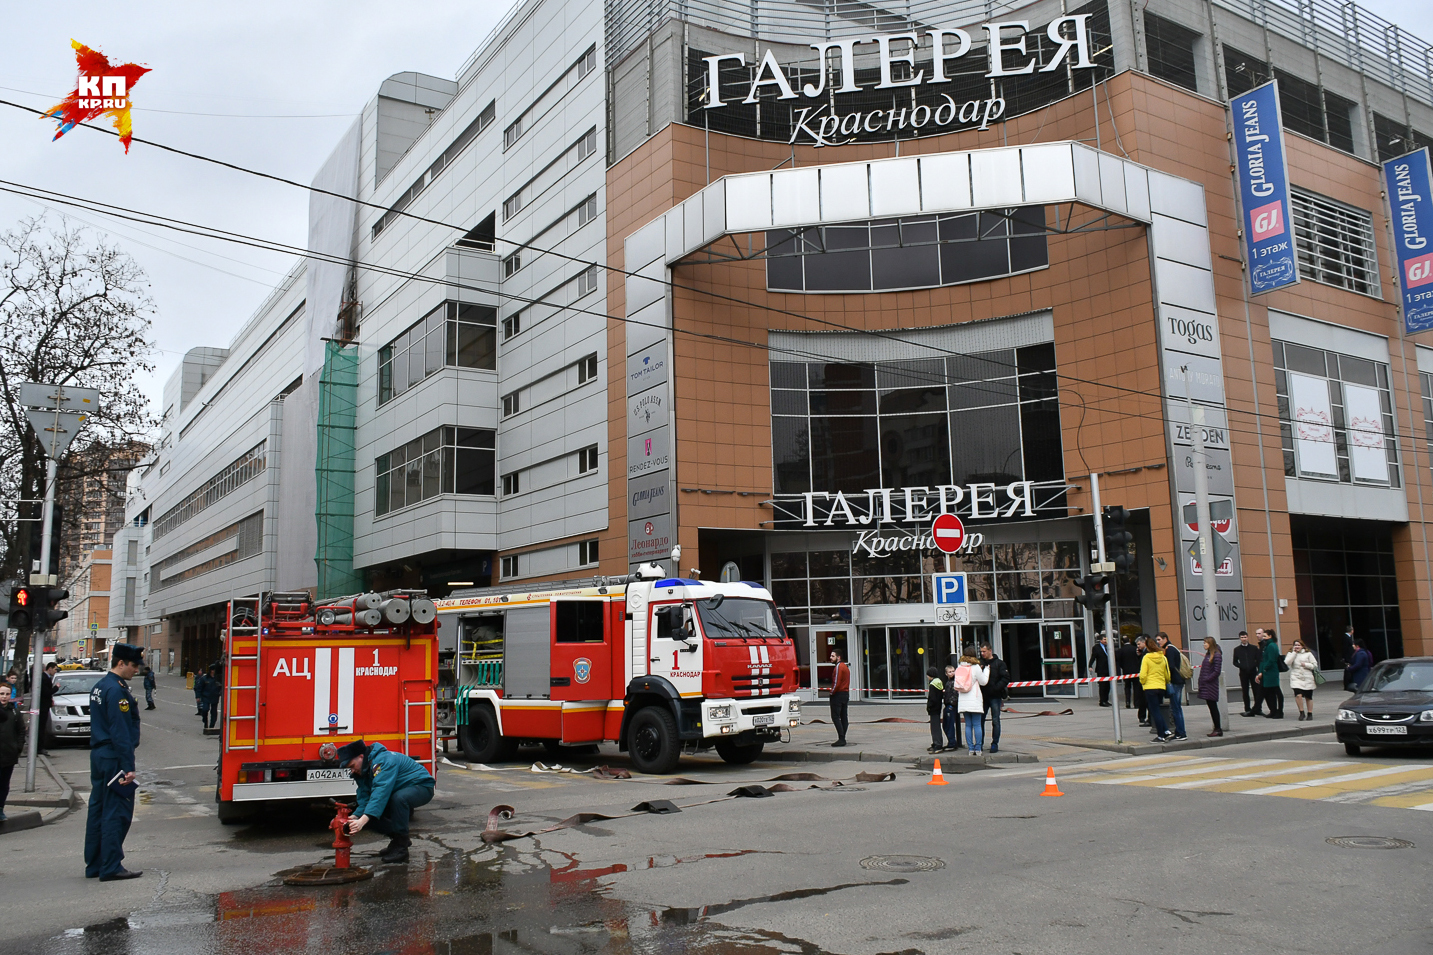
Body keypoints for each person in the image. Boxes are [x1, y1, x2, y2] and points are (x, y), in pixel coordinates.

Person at [85, 643, 144, 881]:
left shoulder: (100, 686)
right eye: (133, 665)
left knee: (98, 811)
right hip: (113, 758)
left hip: (100, 755)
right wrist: (128, 767)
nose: (136, 670)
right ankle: (111, 866)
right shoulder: (117, 690)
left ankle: (95, 864)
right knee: (115, 813)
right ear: (121, 663)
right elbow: (120, 731)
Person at [337, 738, 435, 863]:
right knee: (370, 816)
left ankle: (401, 850)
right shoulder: (363, 769)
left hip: (422, 787)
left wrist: (363, 820)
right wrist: (356, 816)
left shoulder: (382, 761)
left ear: (361, 756)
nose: (352, 770)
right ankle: (398, 840)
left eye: (352, 766)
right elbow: (365, 796)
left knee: (399, 799)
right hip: (399, 790)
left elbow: (380, 792)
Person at [953, 651, 990, 757]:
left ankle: (970, 748)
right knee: (977, 725)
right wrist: (986, 670)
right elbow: (983, 682)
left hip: (963, 700)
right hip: (974, 700)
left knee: (968, 725)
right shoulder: (976, 667)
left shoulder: (959, 667)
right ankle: (978, 749)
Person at [0, 683, 26, 821]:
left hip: (9, 754)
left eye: (6, 694)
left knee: (4, 784)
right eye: (1, 694)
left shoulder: (15, 712)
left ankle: (0, 809)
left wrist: (18, 747)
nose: (4, 697)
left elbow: (21, 731)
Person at [1138, 637, 1172, 741]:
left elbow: (1143, 674)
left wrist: (1143, 682)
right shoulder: (1163, 657)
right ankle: (1166, 730)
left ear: (1147, 647)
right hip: (1160, 686)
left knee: (1154, 711)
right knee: (1158, 710)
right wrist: (1165, 682)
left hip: (1150, 687)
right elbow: (1167, 674)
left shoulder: (1147, 658)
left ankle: (1161, 735)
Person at [1157, 633, 1188, 741]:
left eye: (1159, 639)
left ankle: (1181, 732)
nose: (1158, 642)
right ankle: (1180, 731)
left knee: (1176, 708)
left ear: (1165, 639)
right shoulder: (1171, 648)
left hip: (1175, 681)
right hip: (1178, 680)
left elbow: (1170, 666)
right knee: (1176, 707)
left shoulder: (1169, 649)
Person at [979, 643, 1008, 754]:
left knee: (995, 721)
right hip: (983, 697)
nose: (982, 654)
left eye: (984, 651)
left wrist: (996, 688)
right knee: (980, 721)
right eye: (981, 651)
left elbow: (1005, 678)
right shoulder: (981, 663)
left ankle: (994, 743)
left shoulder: (999, 664)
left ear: (990, 651)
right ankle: (979, 743)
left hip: (995, 696)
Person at [1285, 640, 1320, 721]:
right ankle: (1301, 712)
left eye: (1298, 645)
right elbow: (1287, 662)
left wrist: (1306, 665)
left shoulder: (1308, 654)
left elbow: (1314, 665)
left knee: (1308, 697)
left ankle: (1310, 713)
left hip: (1307, 677)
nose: (1297, 646)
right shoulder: (1291, 653)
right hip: (1296, 677)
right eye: (1295, 645)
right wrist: (1294, 653)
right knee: (1298, 695)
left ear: (1302, 646)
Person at [1197, 637, 1223, 737]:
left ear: (1210, 644)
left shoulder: (1216, 655)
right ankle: (1216, 727)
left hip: (1210, 684)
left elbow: (1217, 671)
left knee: (1213, 707)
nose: (1204, 645)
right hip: (1206, 684)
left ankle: (1218, 728)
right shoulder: (1209, 654)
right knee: (1211, 706)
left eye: (1205, 643)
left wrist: (1207, 679)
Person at [1255, 628, 1284, 719]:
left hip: (1271, 672)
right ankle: (1273, 711)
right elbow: (1263, 660)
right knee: (1270, 692)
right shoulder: (1267, 645)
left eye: (1265, 636)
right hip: (1267, 672)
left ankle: (1279, 711)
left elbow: (1271, 660)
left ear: (1270, 636)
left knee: (1276, 691)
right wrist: (1261, 671)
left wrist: (1263, 670)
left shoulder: (1271, 646)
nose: (1263, 637)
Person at [1233, 631, 1262, 717]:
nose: (1244, 639)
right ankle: (1247, 709)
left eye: (1245, 637)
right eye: (1242, 637)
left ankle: (1258, 708)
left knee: (1256, 690)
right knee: (1245, 691)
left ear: (1248, 637)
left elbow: (1258, 659)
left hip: (1253, 672)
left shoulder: (1253, 648)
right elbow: (1235, 662)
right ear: (1240, 638)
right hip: (1243, 673)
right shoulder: (1237, 649)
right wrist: (1241, 666)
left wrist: (1255, 666)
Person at [828, 650, 850, 747]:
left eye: (833, 656)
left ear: (838, 657)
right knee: (844, 716)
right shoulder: (845, 667)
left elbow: (836, 682)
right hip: (845, 693)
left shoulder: (838, 667)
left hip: (838, 694)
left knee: (835, 716)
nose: (830, 658)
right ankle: (842, 737)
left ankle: (841, 738)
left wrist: (832, 692)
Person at [39, 661, 58, 755]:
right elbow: (46, 692)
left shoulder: (45, 677)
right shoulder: (44, 678)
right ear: (49, 668)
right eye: (55, 669)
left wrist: (51, 700)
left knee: (42, 726)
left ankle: (39, 747)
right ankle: (39, 747)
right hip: (42, 706)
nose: (56, 671)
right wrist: (56, 688)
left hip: (44, 705)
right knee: (41, 727)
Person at [941, 664, 961, 751]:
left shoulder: (955, 682)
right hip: (949, 704)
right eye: (950, 672)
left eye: (953, 671)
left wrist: (952, 703)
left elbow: (956, 694)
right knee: (946, 724)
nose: (952, 673)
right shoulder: (948, 682)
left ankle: (952, 743)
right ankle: (951, 742)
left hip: (951, 705)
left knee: (949, 724)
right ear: (946, 674)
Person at [925, 667, 944, 754]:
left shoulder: (933, 685)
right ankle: (937, 743)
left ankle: (937, 745)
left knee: (934, 727)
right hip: (938, 708)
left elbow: (932, 698)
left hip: (933, 709)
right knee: (937, 726)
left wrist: (929, 707)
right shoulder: (939, 682)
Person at [1088, 635, 1112, 706]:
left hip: (1108, 669)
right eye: (1104, 639)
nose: (1106, 641)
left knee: (1108, 686)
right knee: (1102, 686)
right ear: (1101, 640)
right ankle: (1102, 701)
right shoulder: (1096, 647)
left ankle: (1106, 700)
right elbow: (1093, 657)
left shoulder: (1109, 647)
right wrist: (1090, 665)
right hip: (1101, 669)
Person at [1116, 637, 1139, 709]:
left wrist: (1122, 667)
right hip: (1136, 671)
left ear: (1122, 642)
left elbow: (1118, 661)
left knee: (1127, 687)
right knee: (1136, 687)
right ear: (1130, 640)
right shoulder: (1135, 649)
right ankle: (1136, 703)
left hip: (1126, 671)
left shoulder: (1120, 650)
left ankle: (1128, 702)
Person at [1134, 638, 1151, 727]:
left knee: (1145, 700)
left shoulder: (1147, 654)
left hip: (1146, 681)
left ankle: (1146, 717)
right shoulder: (1143, 653)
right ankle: (1143, 716)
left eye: (1139, 644)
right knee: (1143, 699)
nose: (1138, 646)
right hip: (1145, 680)